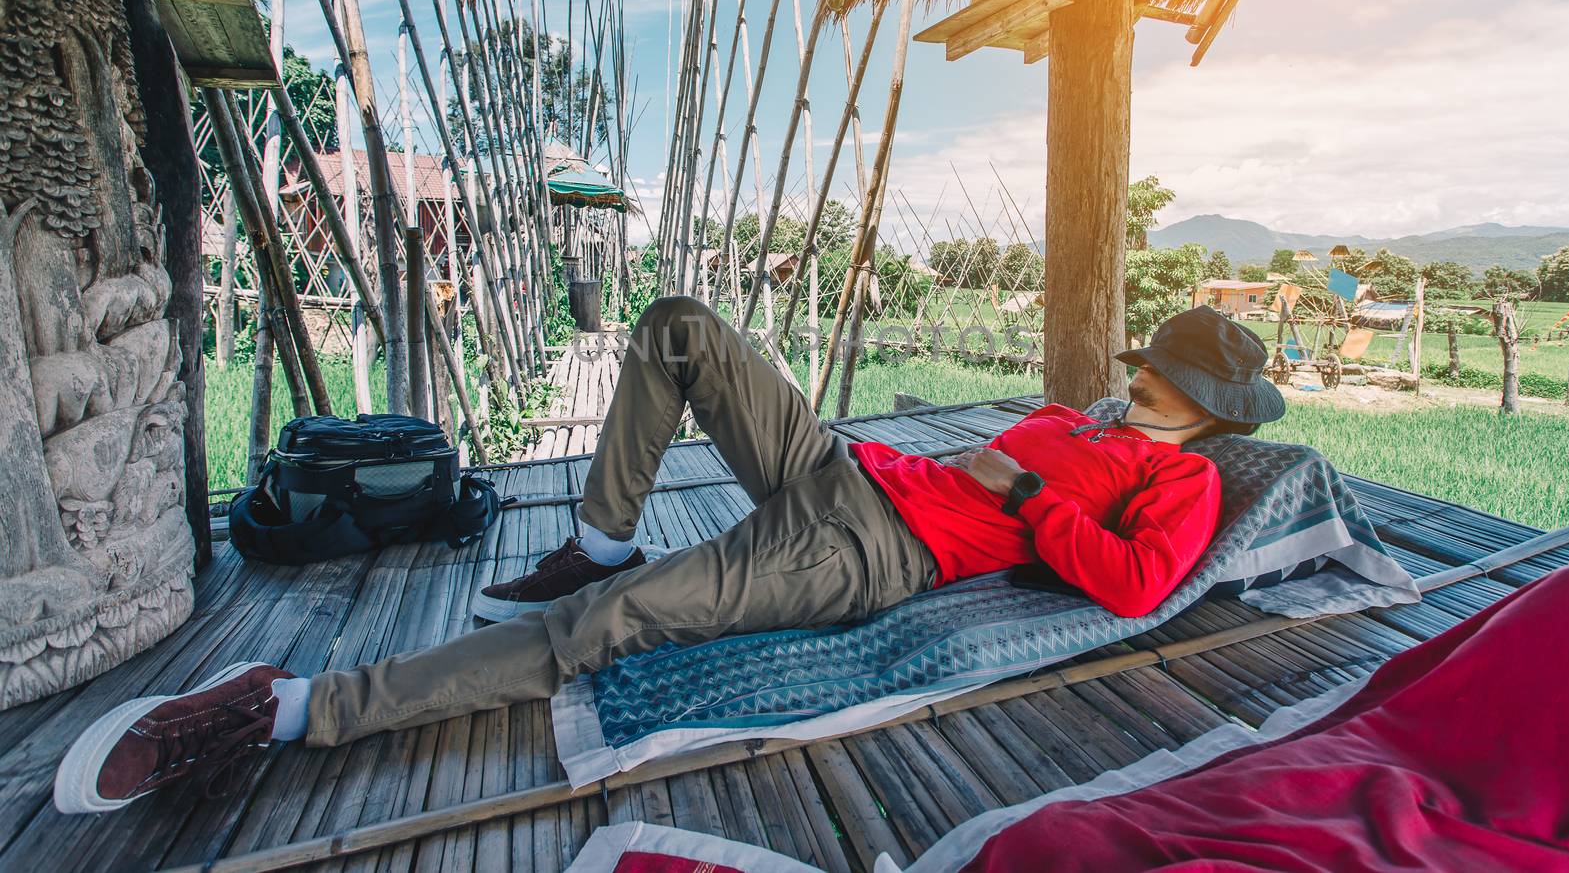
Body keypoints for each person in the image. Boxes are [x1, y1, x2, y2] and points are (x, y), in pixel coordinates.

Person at [53, 298, 1285, 814]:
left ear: (1200, 399)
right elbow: (968, 461)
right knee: (679, 327)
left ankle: (286, 708)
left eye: (1158, 371)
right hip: (839, 469)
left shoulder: (1177, 474)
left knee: (591, 634)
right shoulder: (1086, 418)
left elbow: (1135, 584)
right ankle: (599, 533)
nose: (1134, 376)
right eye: (1142, 361)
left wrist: (1021, 489)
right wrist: (982, 457)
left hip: (867, 553)